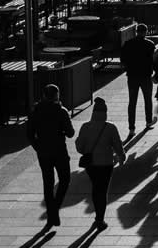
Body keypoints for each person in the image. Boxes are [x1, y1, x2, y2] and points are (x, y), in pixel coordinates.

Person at [27, 83, 75, 228]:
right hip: (59, 150)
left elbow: (30, 134)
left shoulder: (36, 111)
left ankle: (52, 215)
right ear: (57, 95)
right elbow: (71, 133)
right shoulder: (61, 111)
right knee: (65, 179)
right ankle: (54, 209)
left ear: (43, 95)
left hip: (43, 152)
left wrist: (38, 147)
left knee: (48, 184)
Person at [74, 97, 126, 231]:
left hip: (91, 164)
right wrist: (121, 156)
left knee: (96, 187)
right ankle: (99, 219)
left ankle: (98, 215)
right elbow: (118, 145)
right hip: (106, 164)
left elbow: (79, 147)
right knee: (103, 190)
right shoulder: (110, 127)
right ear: (105, 113)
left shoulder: (85, 126)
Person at [120, 22, 156, 135]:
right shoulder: (150, 44)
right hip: (145, 76)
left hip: (132, 76)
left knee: (132, 102)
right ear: (145, 32)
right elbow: (153, 61)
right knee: (147, 100)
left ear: (136, 32)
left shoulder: (128, 44)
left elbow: (123, 60)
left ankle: (131, 128)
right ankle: (149, 122)